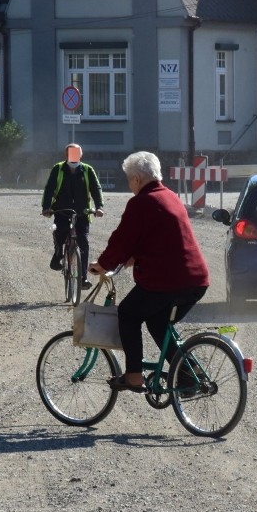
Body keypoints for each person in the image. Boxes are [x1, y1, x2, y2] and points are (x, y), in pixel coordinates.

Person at [88, 151, 209, 392]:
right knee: (156, 321)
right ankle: (189, 373)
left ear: (136, 179)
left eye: (128, 179)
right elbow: (161, 238)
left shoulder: (141, 202)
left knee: (128, 314)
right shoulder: (171, 197)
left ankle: (133, 376)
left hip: (168, 281)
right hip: (196, 281)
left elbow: (121, 240)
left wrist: (102, 265)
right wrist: (135, 257)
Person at [41, 143, 104, 289]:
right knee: (60, 233)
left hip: (82, 212)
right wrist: (46, 207)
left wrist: (99, 207)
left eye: (77, 153)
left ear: (81, 155)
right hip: (62, 211)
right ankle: (57, 256)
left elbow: (96, 189)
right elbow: (49, 188)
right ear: (66, 155)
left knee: (83, 242)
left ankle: (83, 278)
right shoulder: (58, 169)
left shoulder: (87, 170)